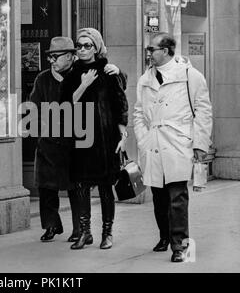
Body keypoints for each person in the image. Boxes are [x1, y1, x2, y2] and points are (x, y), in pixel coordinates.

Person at [30, 36, 124, 243]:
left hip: (77, 140)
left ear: (70, 57)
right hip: (50, 139)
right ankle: (51, 225)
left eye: (56, 56)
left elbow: (114, 90)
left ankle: (79, 229)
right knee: (46, 186)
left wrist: (117, 70)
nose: (52, 60)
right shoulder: (43, 79)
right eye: (50, 57)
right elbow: (34, 107)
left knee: (75, 186)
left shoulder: (79, 73)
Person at [133, 33, 213, 263]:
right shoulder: (145, 79)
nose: (149, 54)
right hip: (153, 143)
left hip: (178, 143)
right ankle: (165, 236)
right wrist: (142, 138)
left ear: (166, 50)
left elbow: (203, 111)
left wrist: (200, 144)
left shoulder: (190, 76)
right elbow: (139, 112)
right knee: (158, 196)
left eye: (152, 50)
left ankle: (180, 245)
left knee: (177, 195)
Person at [60, 28, 129, 250]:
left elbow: (120, 103)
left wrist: (123, 133)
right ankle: (85, 232)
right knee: (81, 186)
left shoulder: (107, 71)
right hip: (80, 137)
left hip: (105, 137)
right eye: (78, 46)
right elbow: (64, 105)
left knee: (105, 187)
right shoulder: (71, 74)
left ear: (96, 47)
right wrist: (84, 84)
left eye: (87, 45)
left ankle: (107, 233)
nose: (82, 50)